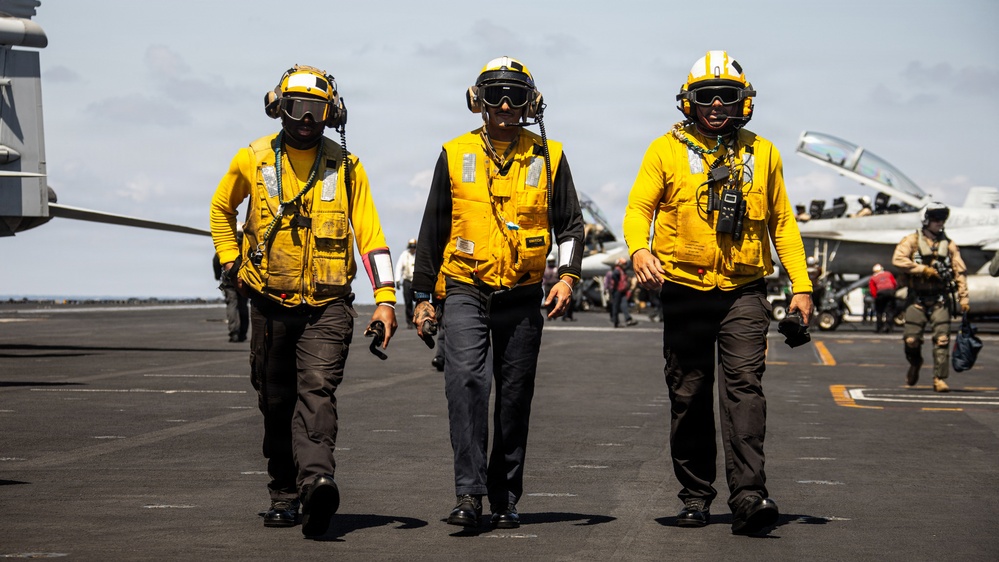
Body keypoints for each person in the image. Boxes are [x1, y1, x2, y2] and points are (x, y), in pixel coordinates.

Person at [624, 51, 813, 535]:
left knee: (745, 388)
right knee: (688, 392)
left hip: (743, 290)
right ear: (688, 101)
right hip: (684, 290)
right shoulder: (664, 150)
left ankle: (749, 497)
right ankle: (695, 494)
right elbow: (639, 208)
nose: (714, 105)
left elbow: (782, 223)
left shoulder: (763, 154)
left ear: (742, 102)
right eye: (705, 96)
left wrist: (802, 286)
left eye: (725, 96)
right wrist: (639, 250)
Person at [209, 64, 398, 538]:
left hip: (328, 306)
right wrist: (231, 261)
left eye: (316, 109)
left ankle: (316, 482)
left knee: (317, 391)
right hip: (269, 302)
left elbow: (371, 237)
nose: (307, 119)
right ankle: (283, 493)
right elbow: (220, 209)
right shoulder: (252, 159)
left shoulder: (347, 166)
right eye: (297, 107)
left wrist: (386, 299)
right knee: (275, 402)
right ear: (279, 107)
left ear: (333, 113)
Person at [410, 56, 585, 530]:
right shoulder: (453, 153)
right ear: (478, 101)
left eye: (516, 96)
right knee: (466, 381)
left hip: (523, 295)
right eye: (495, 95)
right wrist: (422, 297)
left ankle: (505, 497)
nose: (506, 105)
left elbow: (571, 226)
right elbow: (432, 229)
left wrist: (567, 277)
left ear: (532, 103)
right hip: (466, 288)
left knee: (514, 396)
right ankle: (469, 493)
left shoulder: (550, 155)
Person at [891, 203, 969, 392]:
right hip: (916, 298)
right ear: (926, 220)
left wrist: (964, 297)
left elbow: (959, 271)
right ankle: (915, 362)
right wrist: (922, 269)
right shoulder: (911, 241)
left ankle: (939, 378)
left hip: (940, 299)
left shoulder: (949, 244)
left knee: (942, 339)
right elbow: (898, 260)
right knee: (911, 340)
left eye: (942, 219)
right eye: (936, 219)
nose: (939, 223)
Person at [212, 226, 249, 342]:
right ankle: (243, 333)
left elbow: (216, 260)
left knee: (232, 305)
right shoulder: (247, 246)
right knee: (243, 306)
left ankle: (234, 332)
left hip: (228, 281)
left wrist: (217, 275)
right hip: (244, 280)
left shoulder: (228, 246)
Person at [606, 257, 638, 327]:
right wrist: (617, 284)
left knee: (624, 305)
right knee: (616, 306)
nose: (625, 265)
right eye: (624, 264)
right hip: (617, 291)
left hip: (621, 290)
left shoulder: (621, 270)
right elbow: (614, 276)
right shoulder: (617, 271)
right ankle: (616, 321)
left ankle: (628, 319)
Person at [395, 238, 418, 328]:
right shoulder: (404, 255)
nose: (412, 249)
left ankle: (417, 320)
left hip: (416, 281)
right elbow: (399, 267)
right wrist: (397, 280)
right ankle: (409, 321)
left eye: (414, 247)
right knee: (408, 302)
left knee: (418, 301)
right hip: (407, 281)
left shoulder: (419, 255)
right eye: (411, 247)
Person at [869, 263, 897, 333]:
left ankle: (879, 328)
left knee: (879, 312)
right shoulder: (888, 274)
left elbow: (872, 289)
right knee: (889, 311)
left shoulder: (873, 278)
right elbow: (894, 283)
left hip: (880, 294)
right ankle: (889, 328)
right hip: (890, 292)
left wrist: (875, 297)